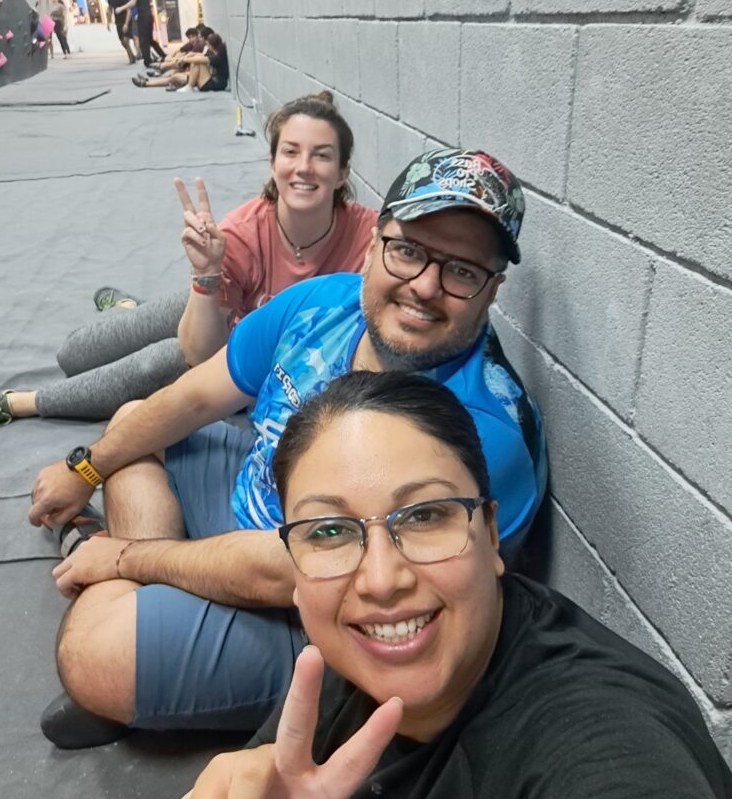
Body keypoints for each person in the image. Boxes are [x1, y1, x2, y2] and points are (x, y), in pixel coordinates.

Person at [74, 372, 732, 799]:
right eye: (329, 530)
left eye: (424, 516)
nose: (382, 579)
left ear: (492, 533)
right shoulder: (344, 664)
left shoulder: (598, 745)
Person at [28, 147, 547, 749]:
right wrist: (86, 465)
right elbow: (191, 398)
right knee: (130, 425)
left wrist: (123, 558)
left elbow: (292, 572)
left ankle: (156, 650)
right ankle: (163, 634)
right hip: (256, 507)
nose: (425, 287)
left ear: (492, 290)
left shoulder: (478, 429)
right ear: (375, 244)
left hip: (326, 614)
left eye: (462, 271)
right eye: (408, 250)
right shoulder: (321, 304)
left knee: (93, 651)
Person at [0, 92, 375, 431]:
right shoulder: (242, 233)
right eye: (291, 152)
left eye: (321, 156)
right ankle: (130, 311)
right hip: (216, 300)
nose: (304, 167)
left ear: (342, 172)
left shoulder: (370, 238)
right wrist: (206, 273)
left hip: (245, 346)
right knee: (71, 355)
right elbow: (199, 346)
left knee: (154, 365)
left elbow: (200, 360)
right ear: (273, 164)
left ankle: (17, 403)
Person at [132, 33, 229, 92]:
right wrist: (189, 56)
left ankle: (189, 87)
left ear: (212, 46)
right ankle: (147, 82)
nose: (207, 46)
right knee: (175, 75)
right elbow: (199, 56)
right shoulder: (215, 53)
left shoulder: (218, 57)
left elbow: (201, 59)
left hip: (213, 84)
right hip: (209, 80)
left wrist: (184, 59)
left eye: (208, 45)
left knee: (179, 74)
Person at [116, 0, 166, 68]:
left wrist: (121, 8)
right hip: (149, 15)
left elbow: (133, 2)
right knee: (149, 39)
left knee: (144, 40)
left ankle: (147, 61)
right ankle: (163, 55)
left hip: (143, 16)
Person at [106, 0, 136, 64]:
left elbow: (128, 10)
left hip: (126, 20)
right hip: (118, 22)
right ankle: (132, 55)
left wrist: (126, 24)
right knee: (122, 42)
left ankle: (131, 58)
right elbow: (110, 8)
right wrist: (108, 22)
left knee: (125, 40)